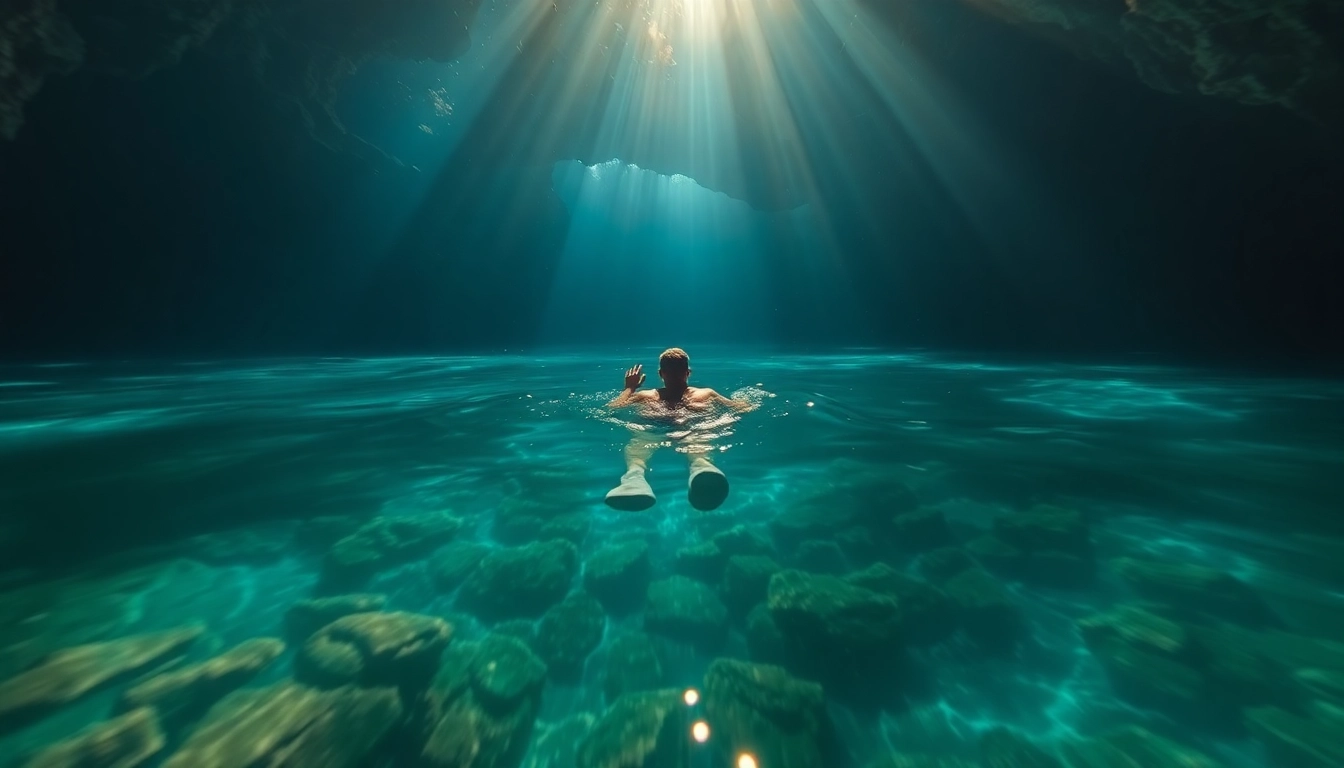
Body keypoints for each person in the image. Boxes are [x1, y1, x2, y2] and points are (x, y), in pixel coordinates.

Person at [604, 348, 753, 512]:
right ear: (688, 372)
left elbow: (611, 409)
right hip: (691, 426)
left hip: (654, 426)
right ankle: (702, 466)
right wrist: (745, 400)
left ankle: (634, 477)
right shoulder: (706, 394)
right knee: (697, 444)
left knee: (639, 445)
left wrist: (630, 388)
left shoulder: (645, 396)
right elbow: (741, 409)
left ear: (661, 374)